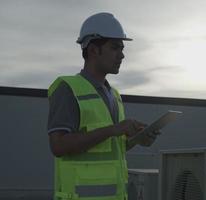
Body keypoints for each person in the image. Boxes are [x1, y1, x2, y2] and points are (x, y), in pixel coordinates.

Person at [47, 12, 157, 200]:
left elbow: (109, 147)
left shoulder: (113, 95)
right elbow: (58, 146)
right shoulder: (68, 89)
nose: (121, 55)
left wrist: (136, 138)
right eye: (115, 48)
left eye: (122, 49)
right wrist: (115, 129)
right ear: (92, 50)